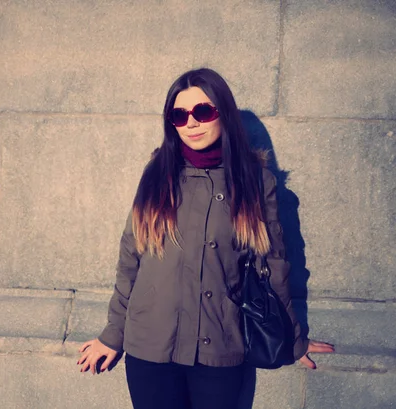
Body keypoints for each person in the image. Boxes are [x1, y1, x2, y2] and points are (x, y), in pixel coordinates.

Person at [77, 68, 334, 409]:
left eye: (203, 111)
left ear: (223, 113)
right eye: (179, 115)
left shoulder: (256, 181)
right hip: (150, 348)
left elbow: (274, 266)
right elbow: (131, 259)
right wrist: (112, 336)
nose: (192, 124)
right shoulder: (156, 174)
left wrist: (293, 339)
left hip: (220, 347)